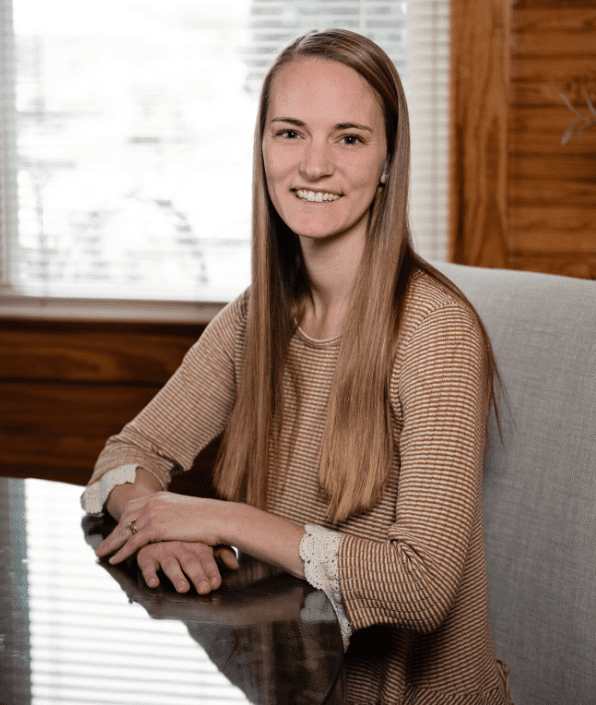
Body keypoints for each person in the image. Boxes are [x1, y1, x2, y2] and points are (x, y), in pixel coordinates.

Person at [85, 29, 513, 704]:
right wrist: (152, 523)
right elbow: (130, 450)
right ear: (262, 148)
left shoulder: (437, 332)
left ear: (387, 162)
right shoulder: (256, 316)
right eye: (290, 133)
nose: (314, 165)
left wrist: (221, 520)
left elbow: (422, 587)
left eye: (348, 137)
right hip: (298, 684)